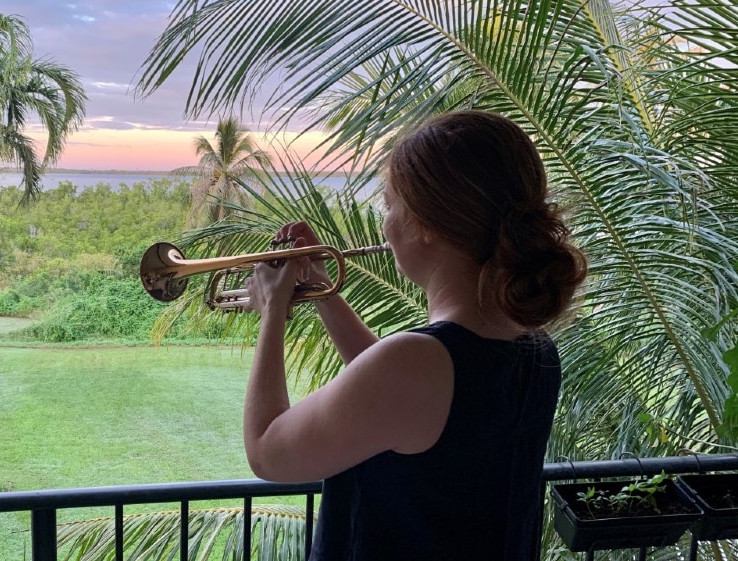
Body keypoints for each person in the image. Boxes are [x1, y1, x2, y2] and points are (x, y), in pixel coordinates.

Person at [241, 110, 588, 560]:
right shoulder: (534, 348)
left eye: (390, 205)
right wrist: (324, 292)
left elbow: (268, 452)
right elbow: (398, 401)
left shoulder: (416, 366)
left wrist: (271, 311)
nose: (385, 223)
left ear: (425, 225)